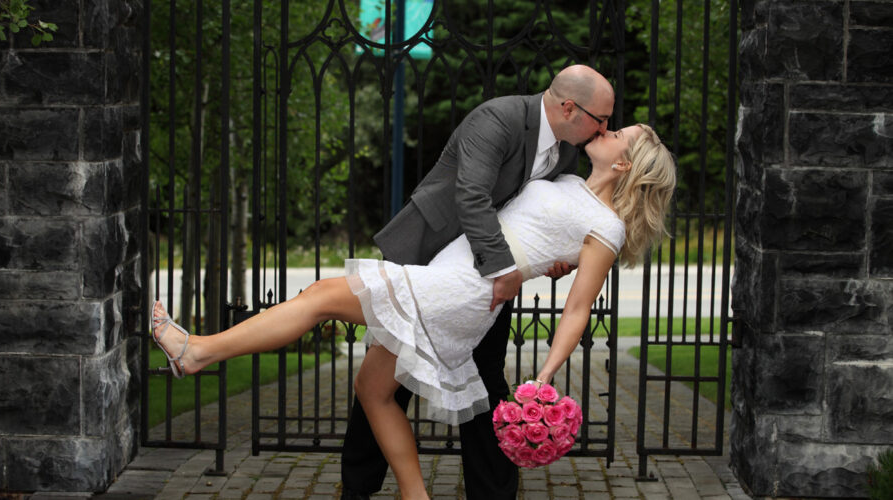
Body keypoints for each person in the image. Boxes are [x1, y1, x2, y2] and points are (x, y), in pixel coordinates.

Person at [150, 123, 676, 500]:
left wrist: (544, 375)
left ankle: (196, 352)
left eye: (616, 134)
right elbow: (528, 233)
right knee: (373, 391)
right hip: (451, 279)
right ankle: (413, 494)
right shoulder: (564, 182)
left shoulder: (605, 227)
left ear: (624, 163)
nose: (604, 130)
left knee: (317, 298)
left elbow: (578, 309)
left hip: (459, 291)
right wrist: (546, 260)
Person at [344, 64, 615, 500]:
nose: (605, 128)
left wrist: (548, 260)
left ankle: (491, 494)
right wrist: (504, 270)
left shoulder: (566, 153)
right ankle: (358, 490)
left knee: (487, 377)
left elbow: (530, 220)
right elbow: (471, 196)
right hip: (432, 253)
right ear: (570, 107)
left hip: (485, 277)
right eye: (601, 119)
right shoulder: (499, 118)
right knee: (385, 381)